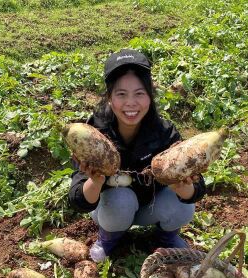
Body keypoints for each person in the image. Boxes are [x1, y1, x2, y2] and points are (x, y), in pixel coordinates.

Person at [68, 49, 207, 262]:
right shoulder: (93, 134)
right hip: (111, 210)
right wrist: (95, 182)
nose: (131, 103)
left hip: (151, 206)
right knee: (120, 199)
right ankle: (109, 238)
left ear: (150, 95)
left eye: (139, 93)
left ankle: (165, 237)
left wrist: (184, 187)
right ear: (109, 98)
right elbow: (78, 199)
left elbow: (198, 188)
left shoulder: (164, 132)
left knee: (183, 206)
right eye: (121, 94)